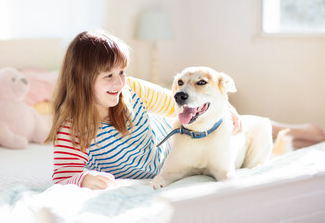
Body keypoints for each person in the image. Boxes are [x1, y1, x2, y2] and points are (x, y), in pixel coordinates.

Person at [45, 30, 325, 190]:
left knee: (250, 126)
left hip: (176, 147)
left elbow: (177, 103)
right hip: (172, 166)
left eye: (122, 72)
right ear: (82, 78)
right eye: (108, 76)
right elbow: (62, 176)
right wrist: (83, 178)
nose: (119, 83)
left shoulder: (132, 91)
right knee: (248, 137)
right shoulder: (73, 128)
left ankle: (309, 132)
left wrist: (226, 108)